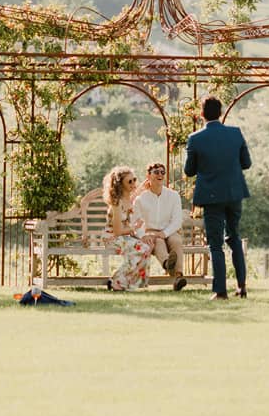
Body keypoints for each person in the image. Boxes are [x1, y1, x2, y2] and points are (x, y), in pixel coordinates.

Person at [183, 96, 251, 301]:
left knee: (215, 243)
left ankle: (220, 290)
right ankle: (241, 286)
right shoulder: (235, 133)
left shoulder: (195, 138)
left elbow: (189, 170)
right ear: (220, 113)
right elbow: (246, 163)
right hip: (234, 193)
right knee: (234, 237)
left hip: (211, 196)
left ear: (201, 114)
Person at [133, 161, 188, 291]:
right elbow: (136, 222)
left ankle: (178, 277)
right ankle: (167, 263)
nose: (160, 175)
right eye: (156, 172)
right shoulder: (141, 199)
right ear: (148, 175)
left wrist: (164, 233)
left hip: (170, 231)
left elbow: (177, 220)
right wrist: (143, 235)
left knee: (176, 240)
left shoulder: (173, 196)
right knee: (158, 242)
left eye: (163, 172)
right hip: (150, 233)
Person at [102, 165, 152, 291]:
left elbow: (134, 195)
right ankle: (117, 280)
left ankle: (122, 281)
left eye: (134, 179)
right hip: (112, 237)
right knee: (142, 248)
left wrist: (141, 188)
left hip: (123, 237)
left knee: (147, 248)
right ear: (120, 185)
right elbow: (117, 231)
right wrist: (134, 227)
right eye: (129, 181)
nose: (134, 183)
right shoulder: (117, 203)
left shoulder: (127, 198)